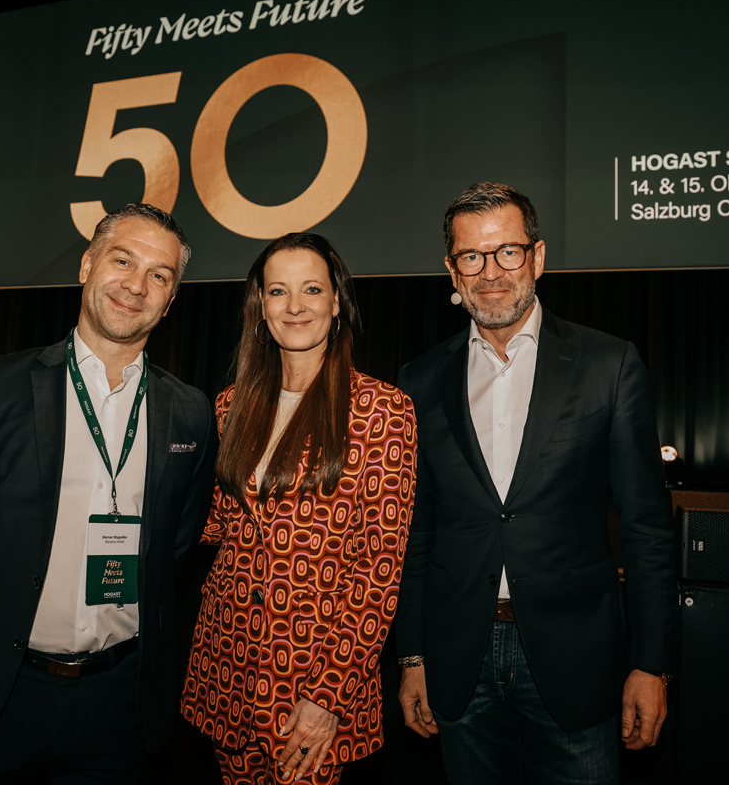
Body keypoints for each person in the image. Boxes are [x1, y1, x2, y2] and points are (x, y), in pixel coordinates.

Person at [0, 203, 217, 783]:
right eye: (122, 260)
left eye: (160, 275)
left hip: (119, 707)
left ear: (172, 298)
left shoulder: (190, 412)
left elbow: (175, 549)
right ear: (86, 264)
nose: (137, 284)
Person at [394, 183, 678, 784]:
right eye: (472, 256)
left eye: (508, 252)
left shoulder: (609, 365)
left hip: (577, 661)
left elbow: (648, 529)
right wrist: (413, 656)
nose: (490, 272)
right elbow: (415, 535)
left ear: (539, 258)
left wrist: (651, 665)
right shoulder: (418, 381)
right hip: (457, 662)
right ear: (451, 269)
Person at [180, 233, 417, 785]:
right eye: (278, 291)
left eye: (312, 289)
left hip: (313, 678)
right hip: (226, 668)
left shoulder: (382, 411)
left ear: (337, 302)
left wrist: (328, 695)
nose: (295, 305)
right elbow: (215, 526)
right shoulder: (229, 406)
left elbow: (378, 570)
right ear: (260, 308)